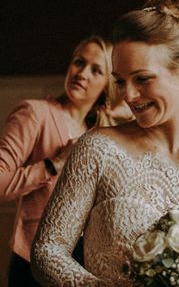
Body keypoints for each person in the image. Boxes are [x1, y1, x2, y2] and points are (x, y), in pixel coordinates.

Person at [31, 0, 179, 286]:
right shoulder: (98, 149)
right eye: (120, 81)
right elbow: (48, 250)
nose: (128, 95)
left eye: (142, 79)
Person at [0, 35, 120, 287]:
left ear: (106, 84)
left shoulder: (99, 132)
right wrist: (54, 163)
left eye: (96, 70)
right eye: (79, 62)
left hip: (81, 266)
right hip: (33, 262)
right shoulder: (35, 113)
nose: (82, 73)